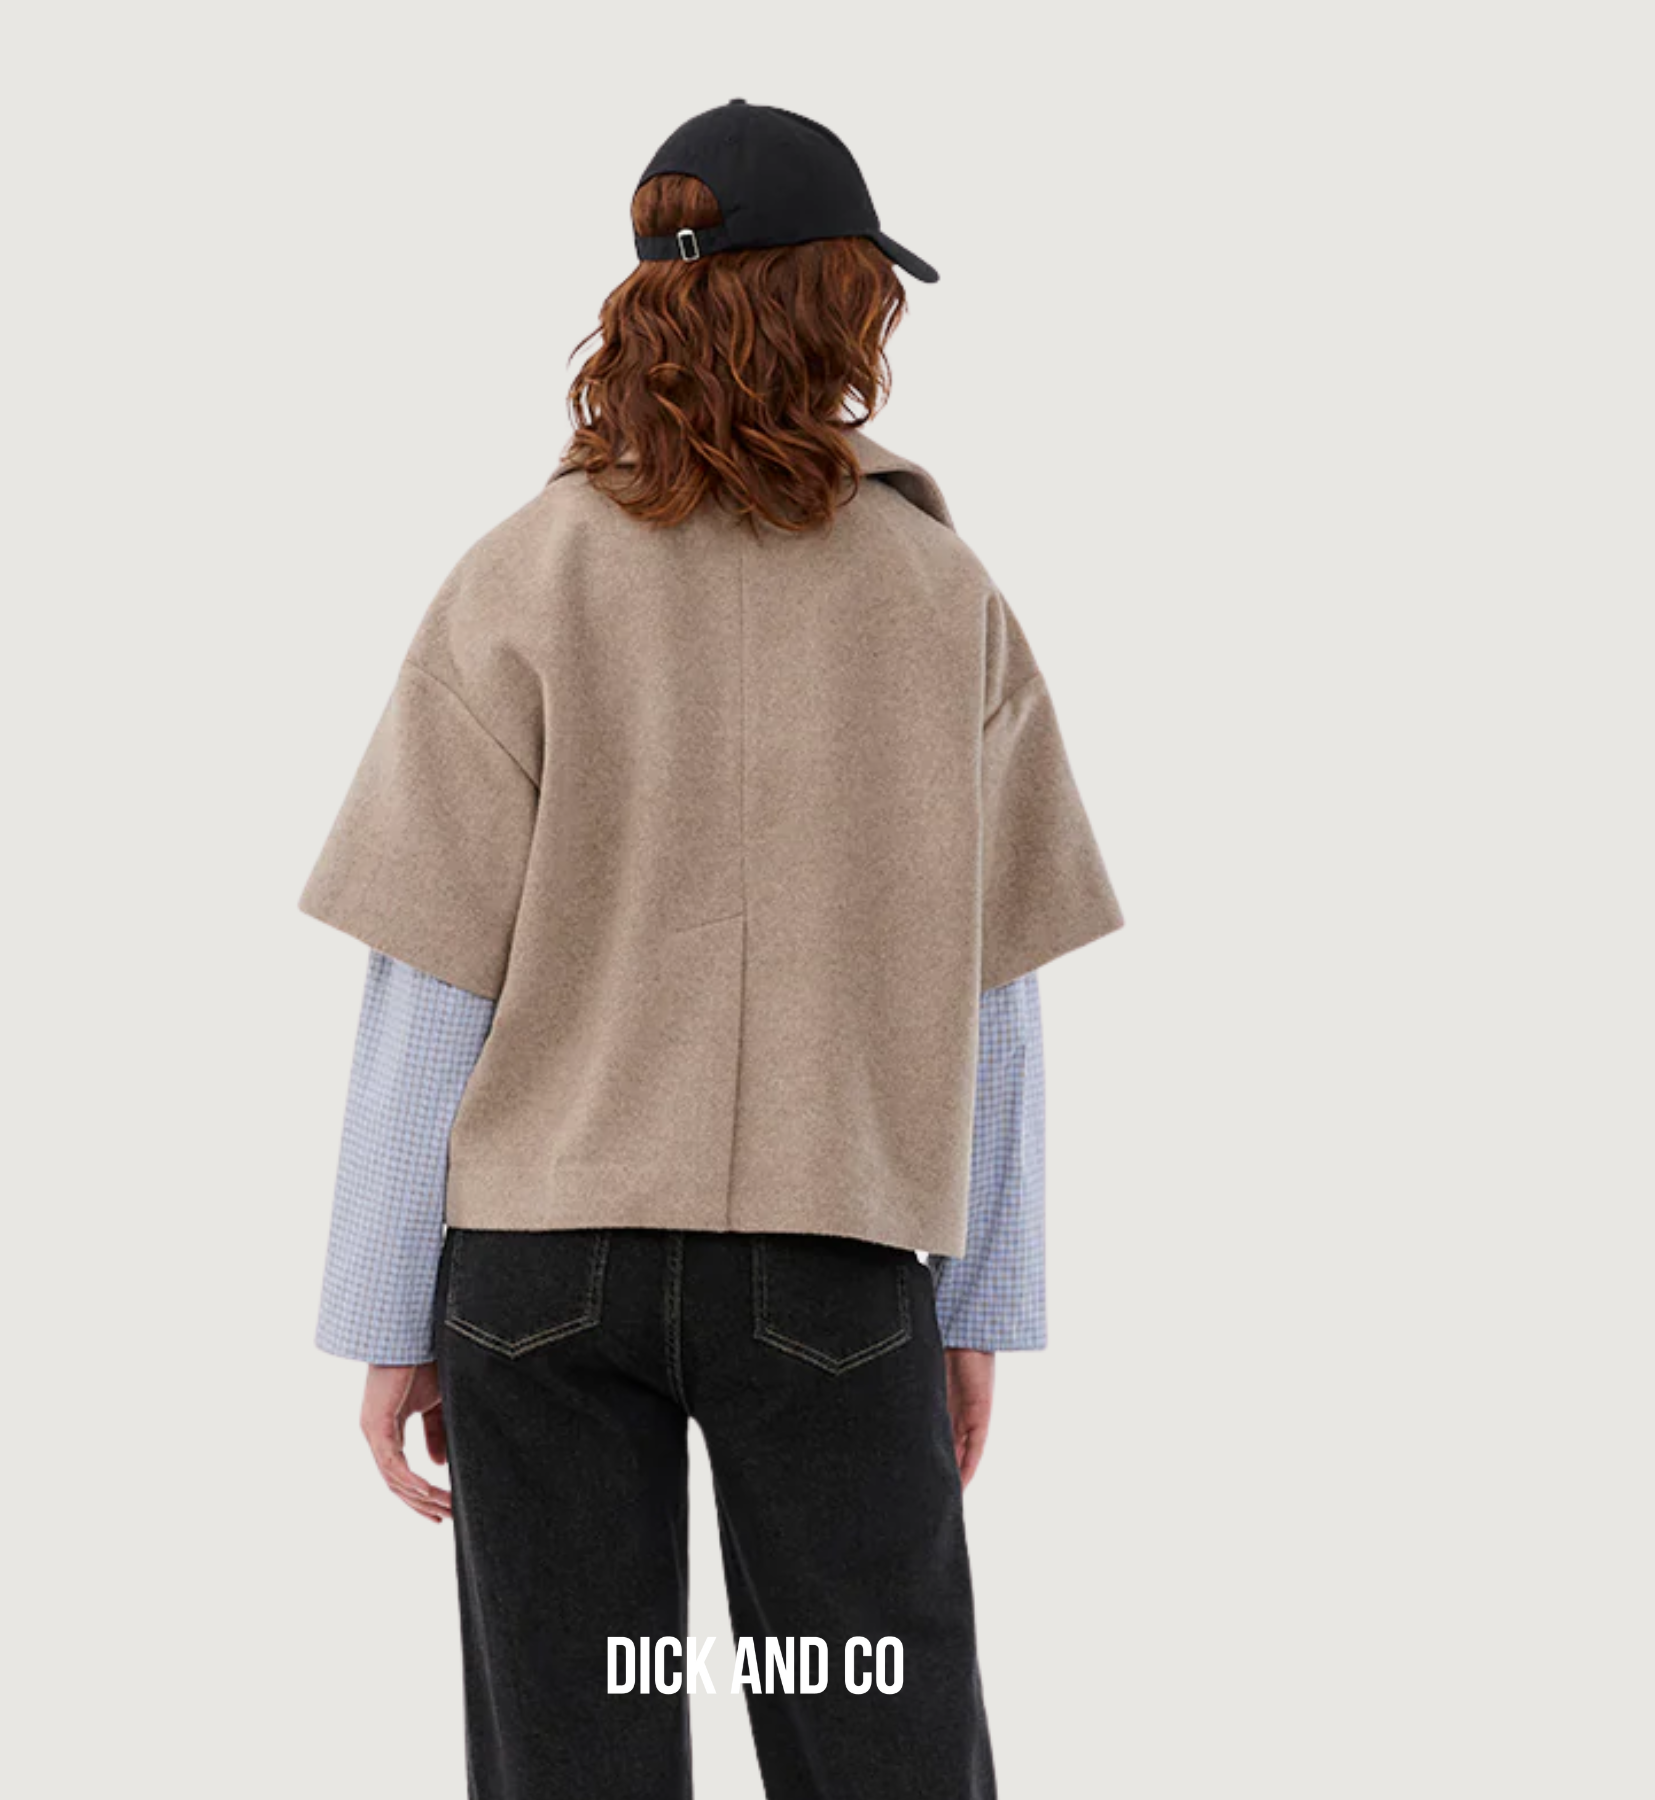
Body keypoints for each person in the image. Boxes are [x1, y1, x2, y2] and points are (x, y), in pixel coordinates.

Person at [301, 98, 1122, 1800]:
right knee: (882, 1741)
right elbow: (995, 990)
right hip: (833, 1263)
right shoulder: (941, 596)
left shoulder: (518, 576)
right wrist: (980, 1296)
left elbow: (430, 984)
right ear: (841, 301)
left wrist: (388, 1312)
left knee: (572, 1753)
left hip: (541, 1273)